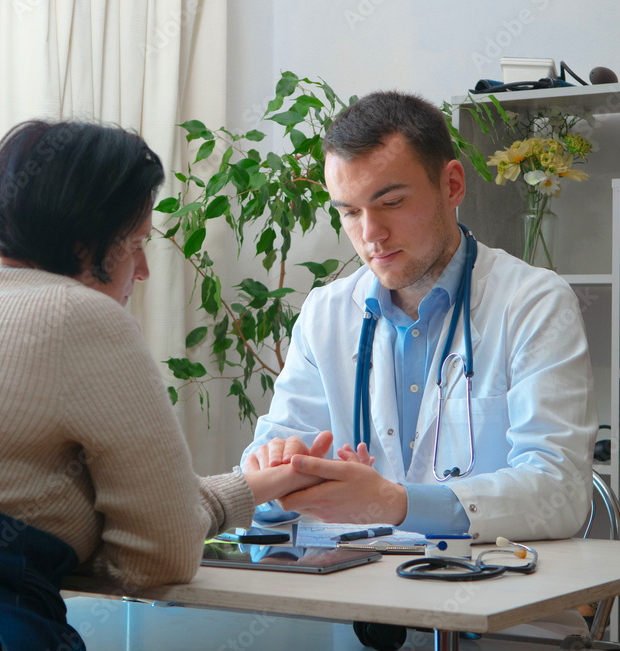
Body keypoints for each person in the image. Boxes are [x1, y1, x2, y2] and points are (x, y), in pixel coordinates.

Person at [0, 120, 327, 651]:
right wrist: (214, 504)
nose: (143, 270)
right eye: (138, 242)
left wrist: (251, 486)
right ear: (86, 240)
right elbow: (159, 557)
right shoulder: (83, 316)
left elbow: (8, 507)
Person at [242, 91, 597, 544]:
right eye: (350, 212)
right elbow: (269, 475)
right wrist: (281, 472)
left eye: (390, 202)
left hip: (498, 599)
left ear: (451, 186)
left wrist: (394, 502)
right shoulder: (325, 314)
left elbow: (558, 491)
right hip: (359, 598)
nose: (370, 235)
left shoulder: (533, 303)